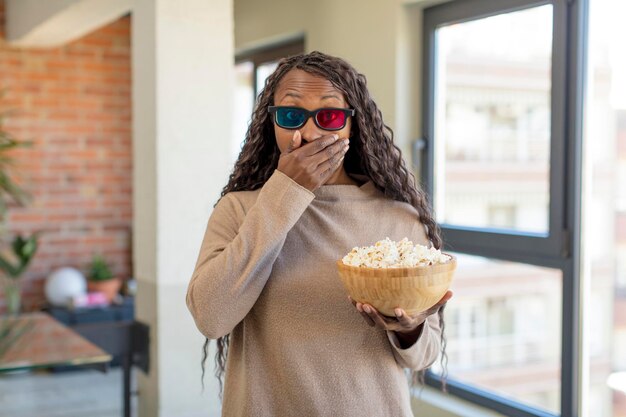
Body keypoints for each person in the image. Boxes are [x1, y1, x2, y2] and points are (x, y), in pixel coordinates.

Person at [186, 51, 452, 417]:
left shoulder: (399, 220)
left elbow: (425, 354)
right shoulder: (240, 210)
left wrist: (409, 329)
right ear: (272, 123)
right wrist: (284, 194)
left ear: (352, 126)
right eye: (292, 116)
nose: (309, 133)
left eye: (329, 117)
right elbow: (211, 317)